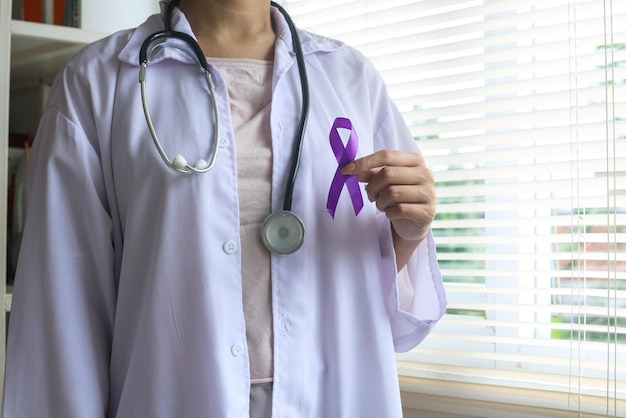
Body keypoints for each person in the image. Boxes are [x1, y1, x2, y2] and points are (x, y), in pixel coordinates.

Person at [2, 0, 447, 417]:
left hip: (332, 393)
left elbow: (389, 306)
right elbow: (60, 313)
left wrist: (408, 233)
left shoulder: (351, 78)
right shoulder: (96, 83)